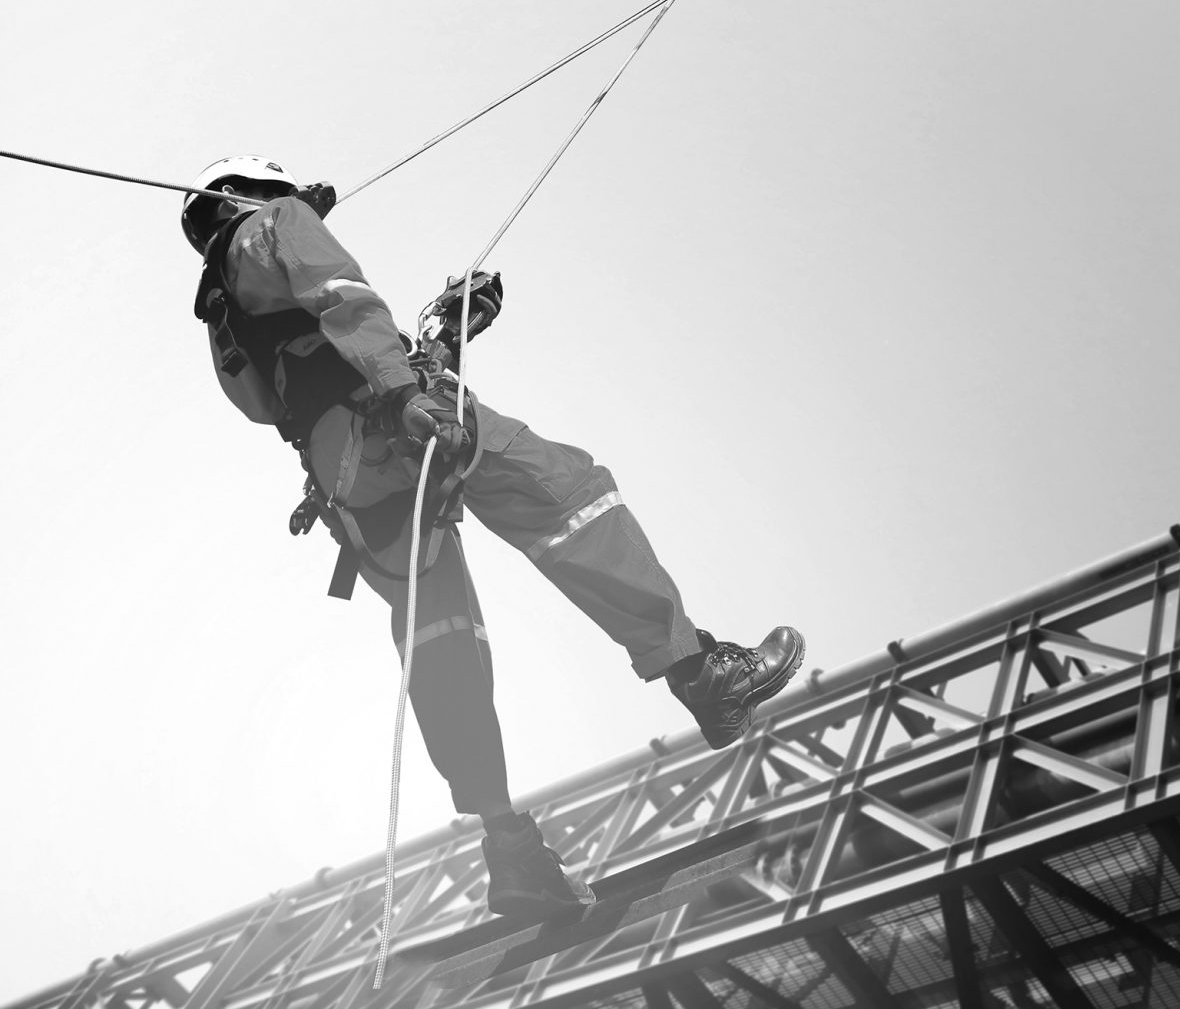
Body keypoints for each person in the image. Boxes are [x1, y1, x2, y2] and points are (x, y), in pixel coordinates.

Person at [183, 155, 805, 916]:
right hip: (393, 426)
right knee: (564, 496)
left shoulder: (225, 323)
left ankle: (510, 851)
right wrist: (410, 388)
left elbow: (315, 377)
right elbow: (344, 301)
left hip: (350, 485)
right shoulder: (271, 225)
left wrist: (443, 336)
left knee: (440, 635)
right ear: (248, 192)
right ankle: (699, 670)